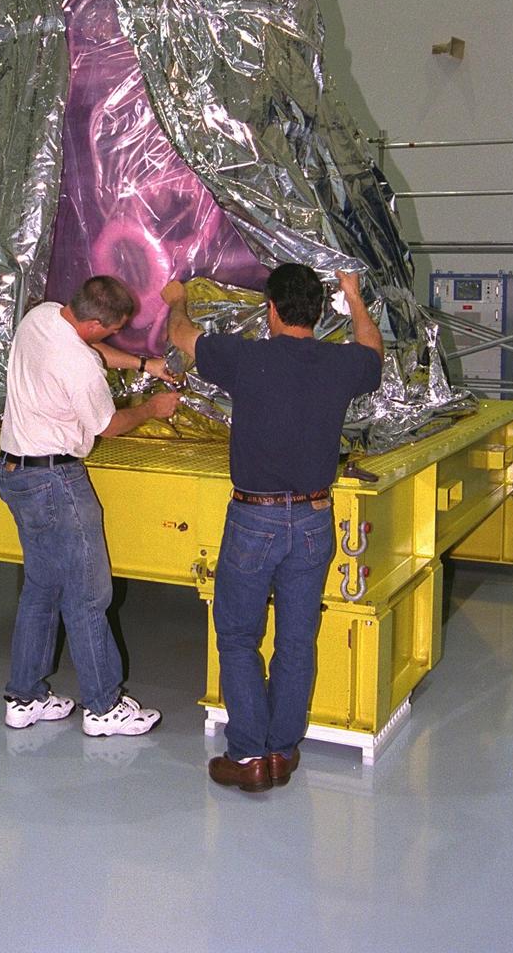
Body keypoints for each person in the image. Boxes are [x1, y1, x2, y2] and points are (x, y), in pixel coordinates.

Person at [161, 264, 383, 792]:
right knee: (297, 640)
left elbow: (180, 336)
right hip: (313, 518)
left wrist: (176, 298)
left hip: (254, 518)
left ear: (273, 310)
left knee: (238, 636)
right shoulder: (342, 364)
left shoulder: (247, 358)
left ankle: (247, 757)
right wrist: (353, 296)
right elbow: (372, 348)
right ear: (316, 312)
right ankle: (281, 752)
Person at [0, 274, 181, 736]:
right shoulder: (79, 366)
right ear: (96, 323)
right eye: (113, 328)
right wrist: (152, 409)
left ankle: (25, 698)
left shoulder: (42, 317)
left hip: (15, 472)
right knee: (89, 596)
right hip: (56, 482)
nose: (114, 336)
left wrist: (145, 365)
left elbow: (94, 350)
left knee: (41, 590)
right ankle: (103, 707)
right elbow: (109, 425)